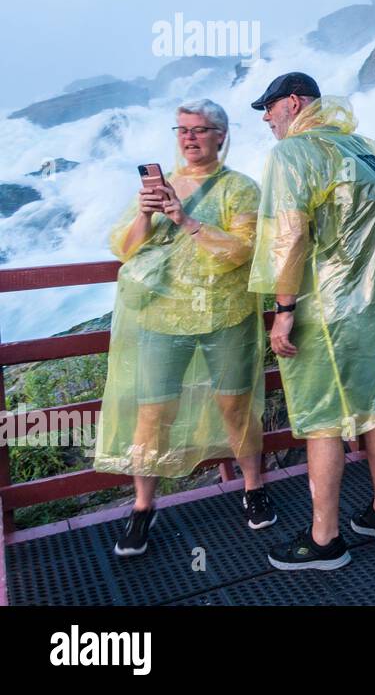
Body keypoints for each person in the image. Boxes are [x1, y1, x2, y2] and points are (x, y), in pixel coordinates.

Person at [248, 72, 375, 570]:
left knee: (323, 420)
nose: (266, 118)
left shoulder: (293, 154)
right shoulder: (364, 151)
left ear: (292, 103)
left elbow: (287, 238)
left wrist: (284, 310)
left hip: (327, 310)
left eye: (268, 107)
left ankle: (324, 540)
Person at [98, 99, 273, 557]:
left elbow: (243, 252)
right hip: (161, 318)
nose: (189, 137)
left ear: (221, 135)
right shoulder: (160, 188)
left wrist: (186, 220)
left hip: (225, 315)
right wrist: (145, 214)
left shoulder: (241, 189)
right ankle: (142, 507)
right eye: (182, 130)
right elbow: (125, 249)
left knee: (235, 407)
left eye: (200, 129)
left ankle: (253, 487)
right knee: (152, 413)